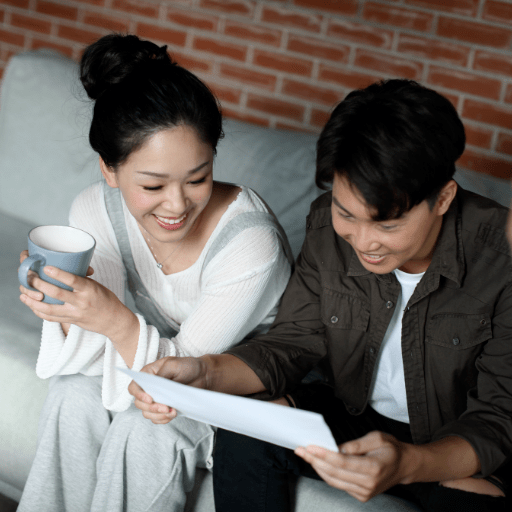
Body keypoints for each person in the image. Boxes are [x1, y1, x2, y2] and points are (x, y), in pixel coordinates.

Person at [129, 79, 512, 512]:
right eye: (346, 213)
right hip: (351, 414)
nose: (364, 241)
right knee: (248, 432)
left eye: (387, 225)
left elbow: (498, 421)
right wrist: (201, 372)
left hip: (454, 440)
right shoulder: (326, 230)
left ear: (442, 199)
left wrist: (408, 464)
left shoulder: (501, 257)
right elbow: (293, 342)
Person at [17, 33, 292, 512]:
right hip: (151, 367)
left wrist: (112, 319)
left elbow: (184, 376)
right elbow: (90, 354)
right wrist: (61, 309)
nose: (177, 204)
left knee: (146, 428)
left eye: (198, 178)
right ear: (109, 169)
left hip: (235, 392)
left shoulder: (250, 242)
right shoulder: (94, 210)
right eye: (152, 184)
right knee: (72, 397)